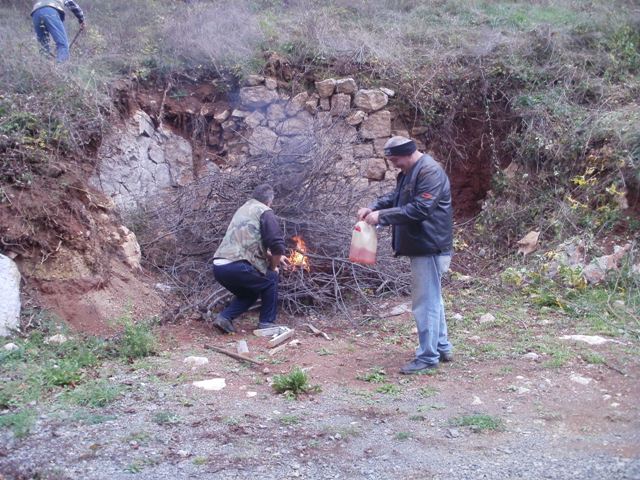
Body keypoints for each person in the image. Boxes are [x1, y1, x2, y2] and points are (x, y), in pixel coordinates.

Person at [357, 136, 454, 374]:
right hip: (422, 245)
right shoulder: (410, 172)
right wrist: (375, 207)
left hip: (429, 246)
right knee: (433, 299)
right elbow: (397, 198)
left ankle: (428, 356)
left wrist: (383, 217)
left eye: (395, 159)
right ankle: (441, 347)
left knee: (425, 303)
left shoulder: (429, 172)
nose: (393, 164)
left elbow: (420, 209)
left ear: (408, 153)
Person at [212, 184, 286, 333]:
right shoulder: (265, 211)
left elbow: (247, 243)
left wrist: (272, 256)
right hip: (237, 266)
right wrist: (273, 266)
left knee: (250, 293)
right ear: (269, 201)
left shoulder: (244, 209)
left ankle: (224, 318)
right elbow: (277, 245)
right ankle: (266, 323)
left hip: (219, 266)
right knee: (271, 278)